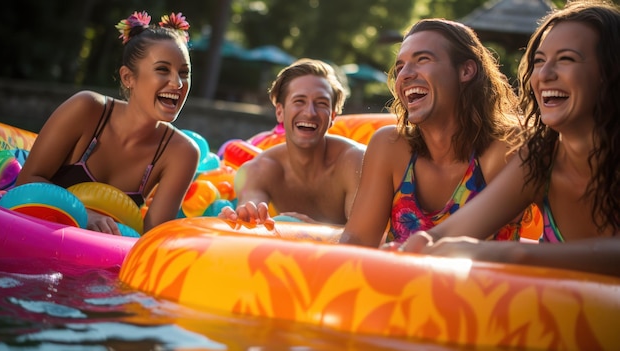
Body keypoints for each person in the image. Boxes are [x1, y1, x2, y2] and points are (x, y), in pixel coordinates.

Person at [396, 0, 620, 278]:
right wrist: (416, 245)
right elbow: (446, 235)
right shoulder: (539, 160)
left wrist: (516, 255)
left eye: (566, 59)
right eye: (539, 62)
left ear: (610, 73)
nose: (545, 75)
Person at [339, 18, 534, 247]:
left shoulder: (509, 148)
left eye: (422, 59)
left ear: (466, 70)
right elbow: (358, 240)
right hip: (396, 282)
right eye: (400, 67)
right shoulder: (389, 146)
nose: (405, 75)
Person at [15, 11, 200, 235]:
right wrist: (84, 214)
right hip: (37, 230)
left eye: (184, 73)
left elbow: (151, 240)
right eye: (162, 69)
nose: (177, 83)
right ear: (128, 78)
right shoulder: (87, 109)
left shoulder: (181, 153)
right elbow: (26, 181)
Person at [219, 59, 366, 226]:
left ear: (332, 117)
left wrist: (313, 230)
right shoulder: (258, 170)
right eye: (299, 101)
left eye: (321, 103)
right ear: (280, 112)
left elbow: (369, 236)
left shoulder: (355, 162)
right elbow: (250, 215)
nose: (310, 113)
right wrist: (241, 220)